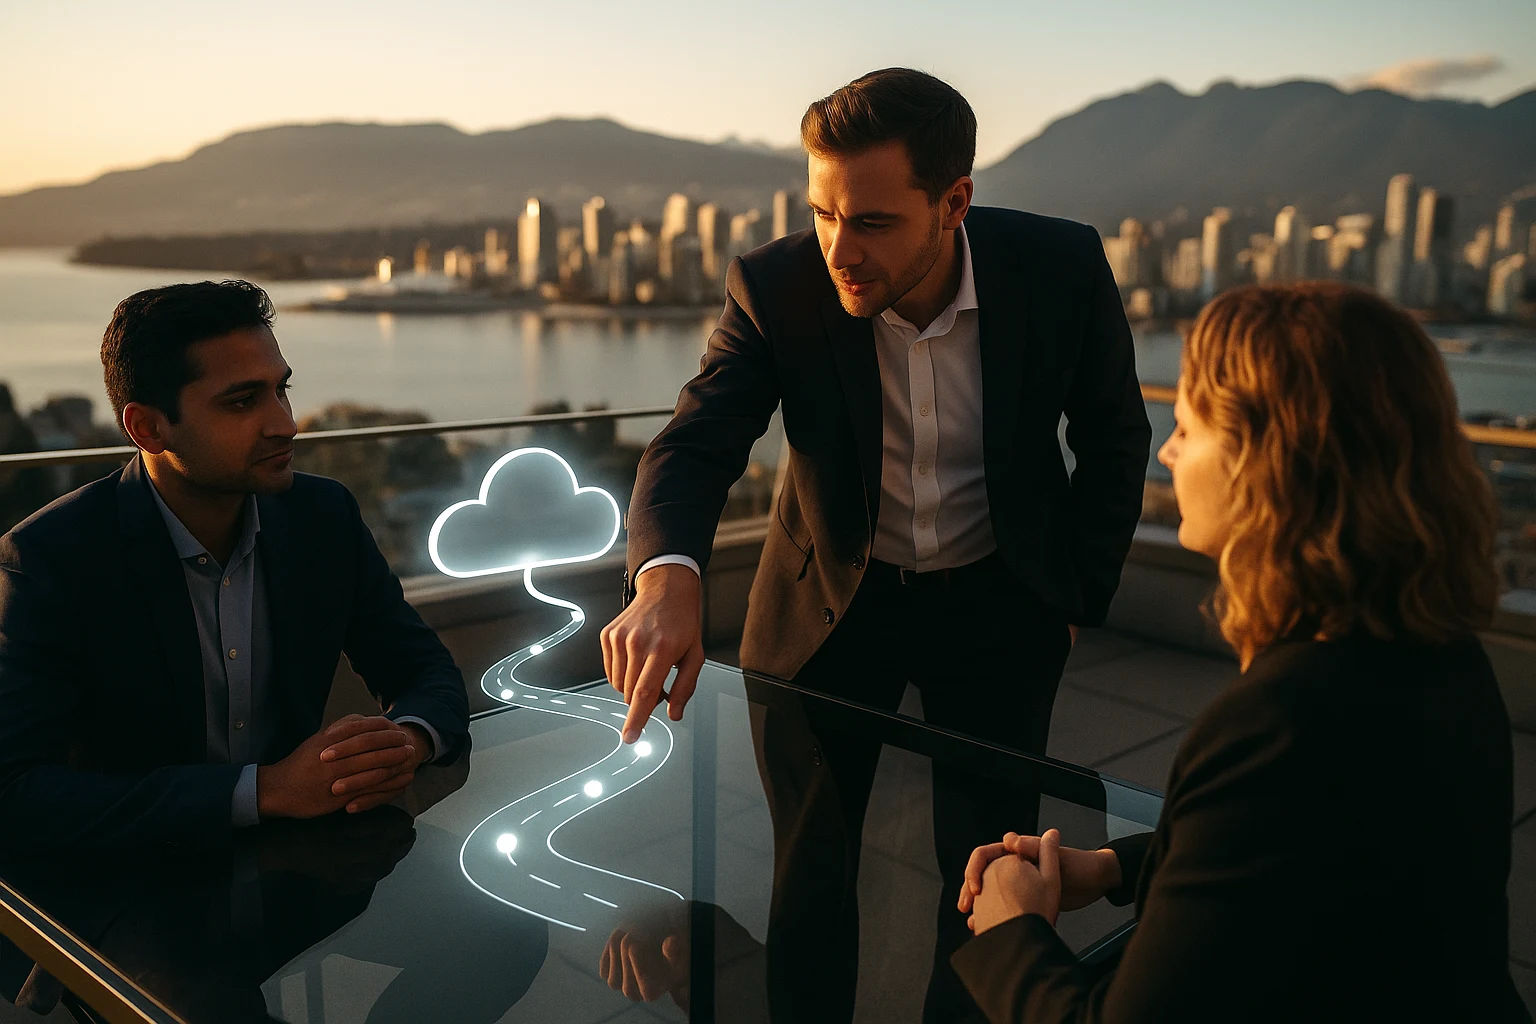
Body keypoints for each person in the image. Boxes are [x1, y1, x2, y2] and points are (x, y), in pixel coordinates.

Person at [602, 68, 1151, 1021]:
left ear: (955, 202)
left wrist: (1071, 599)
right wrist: (663, 576)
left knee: (986, 884)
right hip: (827, 613)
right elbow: (695, 440)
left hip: (999, 602)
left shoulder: (1061, 268)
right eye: (821, 213)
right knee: (806, 880)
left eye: (870, 223)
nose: (837, 248)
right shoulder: (776, 284)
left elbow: (1115, 439)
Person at [953, 283, 1528, 1022]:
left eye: (1188, 428)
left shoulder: (1281, 724)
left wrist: (1013, 929)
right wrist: (1108, 866)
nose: (1167, 450)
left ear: (1264, 459)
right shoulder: (1439, 654)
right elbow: (1303, 849)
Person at [0, 280, 470, 853]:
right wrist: (264, 791)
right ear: (147, 427)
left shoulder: (321, 517)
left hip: (305, 871)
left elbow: (425, 671)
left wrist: (404, 742)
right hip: (131, 891)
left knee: (515, 938)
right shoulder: (49, 558)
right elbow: (17, 792)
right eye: (243, 402)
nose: (285, 423)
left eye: (281, 390)